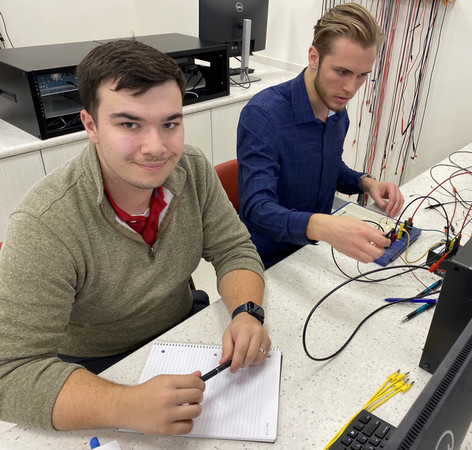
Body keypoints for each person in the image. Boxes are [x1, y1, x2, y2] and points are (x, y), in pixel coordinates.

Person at [0, 39, 271, 435]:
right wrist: (124, 405)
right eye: (129, 124)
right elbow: (9, 374)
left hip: (182, 331)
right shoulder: (45, 223)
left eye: (170, 123)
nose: (156, 147)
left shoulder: (192, 169)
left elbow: (233, 248)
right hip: (96, 366)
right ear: (90, 125)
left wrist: (248, 311)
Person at [237, 3, 405, 268]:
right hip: (269, 260)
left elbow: (328, 167)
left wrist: (366, 182)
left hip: (317, 249)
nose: (351, 88)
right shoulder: (264, 114)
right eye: (342, 72)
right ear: (314, 57)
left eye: (362, 75)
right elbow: (256, 209)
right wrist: (323, 226)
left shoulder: (337, 112)